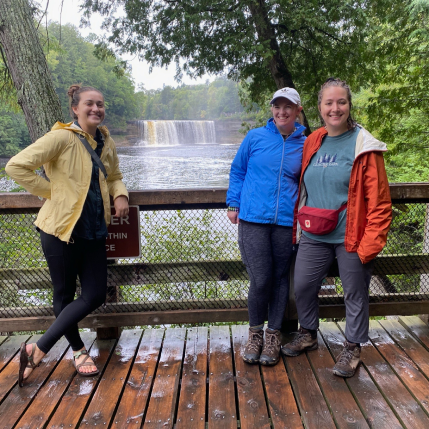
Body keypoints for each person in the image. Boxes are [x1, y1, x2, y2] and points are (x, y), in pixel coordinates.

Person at [6, 84, 129, 386]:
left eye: (100, 104)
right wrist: (53, 192)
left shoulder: (106, 141)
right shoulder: (61, 137)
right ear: (75, 108)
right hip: (60, 230)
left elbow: (113, 176)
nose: (96, 109)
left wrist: (121, 195)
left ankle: (37, 347)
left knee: (95, 294)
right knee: (63, 295)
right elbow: (16, 166)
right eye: (89, 104)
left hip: (94, 230)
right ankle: (77, 350)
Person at [282, 78, 392, 377]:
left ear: (349, 105)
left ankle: (353, 348)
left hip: (351, 236)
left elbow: (381, 204)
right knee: (302, 286)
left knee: (354, 294)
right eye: (328, 103)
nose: (335, 108)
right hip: (314, 233)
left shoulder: (364, 146)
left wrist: (369, 245)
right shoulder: (314, 140)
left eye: (340, 102)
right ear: (319, 107)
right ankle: (308, 333)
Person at [226, 87, 306, 365]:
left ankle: (273, 336)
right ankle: (255, 333)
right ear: (271, 109)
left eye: (288, 107)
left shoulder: (306, 144)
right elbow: (238, 170)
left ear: (298, 110)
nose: (282, 111)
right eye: (277, 106)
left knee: (281, 278)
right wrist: (233, 203)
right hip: (253, 220)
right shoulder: (255, 137)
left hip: (286, 222)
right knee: (261, 279)